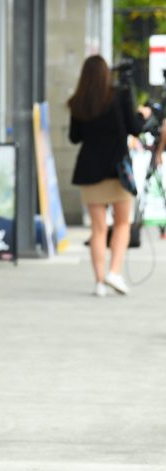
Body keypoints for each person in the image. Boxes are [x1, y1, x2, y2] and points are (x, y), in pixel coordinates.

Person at [68, 55, 149, 296]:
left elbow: (75, 138)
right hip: (118, 170)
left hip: (89, 172)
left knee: (98, 229)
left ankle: (99, 282)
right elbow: (135, 129)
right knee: (123, 223)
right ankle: (114, 272)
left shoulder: (78, 102)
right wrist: (143, 115)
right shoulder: (120, 95)